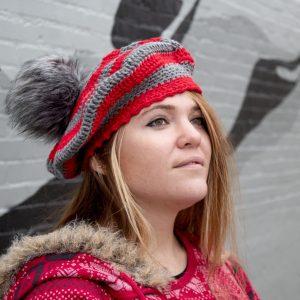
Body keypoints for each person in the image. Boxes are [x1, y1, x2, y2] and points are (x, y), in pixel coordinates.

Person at [0, 37, 260, 299]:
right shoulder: (70, 289)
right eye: (158, 121)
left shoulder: (224, 268)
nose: (193, 135)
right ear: (100, 159)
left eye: (197, 119)